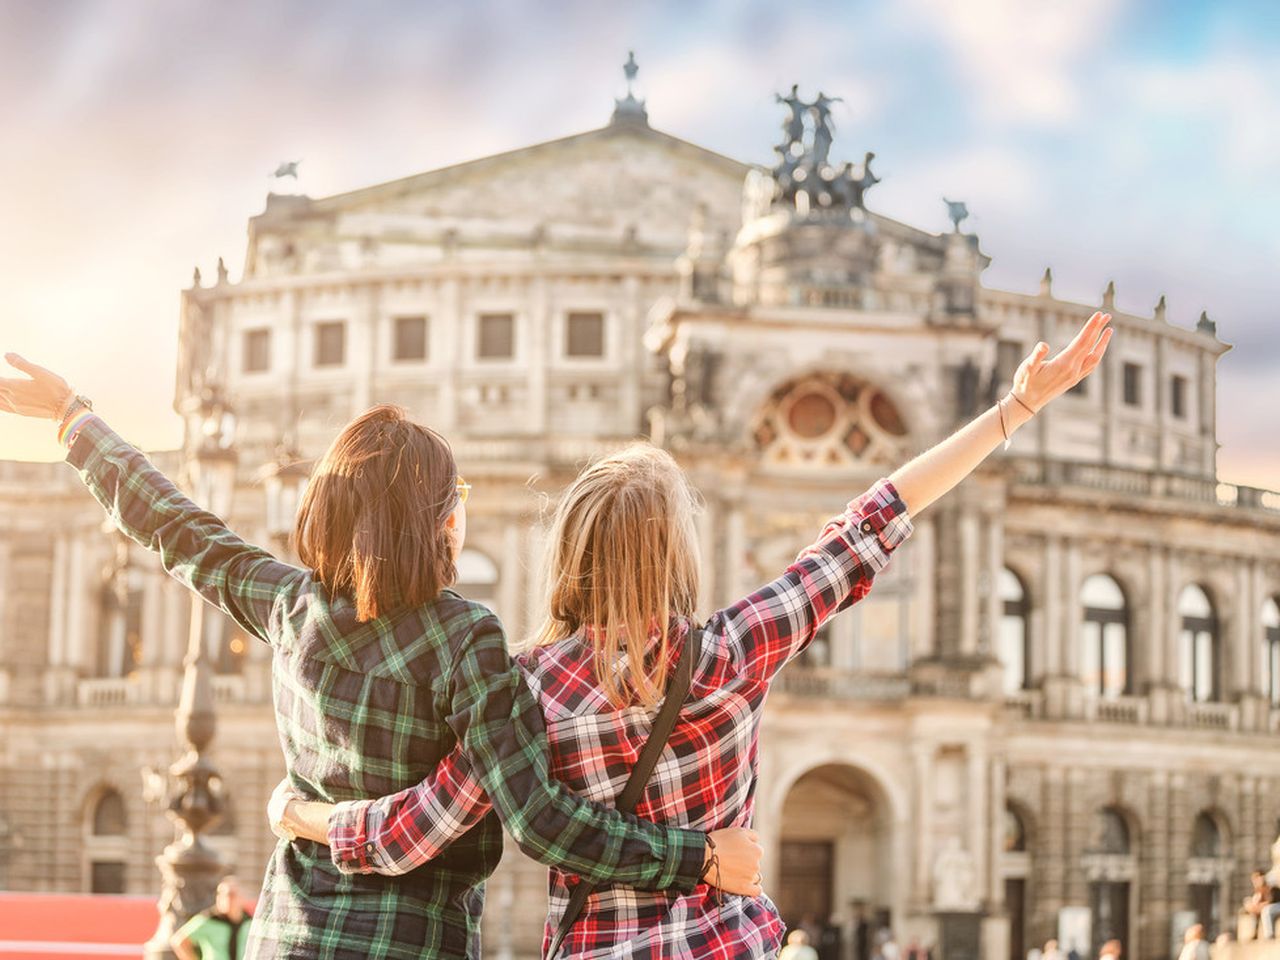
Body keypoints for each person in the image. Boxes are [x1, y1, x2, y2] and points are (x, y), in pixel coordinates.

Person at [270, 313, 1114, 958]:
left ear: (568, 550)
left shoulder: (519, 685)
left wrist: (300, 814)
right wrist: (1014, 409)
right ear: (679, 549)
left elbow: (407, 832)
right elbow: (874, 518)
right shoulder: (738, 649)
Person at [0, 356, 764, 959]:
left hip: (288, 936)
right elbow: (543, 822)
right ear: (431, 520)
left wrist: (75, 420)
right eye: (453, 492)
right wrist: (695, 857)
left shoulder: (289, 606)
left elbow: (176, 528)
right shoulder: (467, 640)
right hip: (416, 943)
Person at [170, 876, 253, 960]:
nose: (227, 899)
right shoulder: (208, 919)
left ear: (242, 897)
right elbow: (179, 941)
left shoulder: (249, 922)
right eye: (221, 894)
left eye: (232, 895)